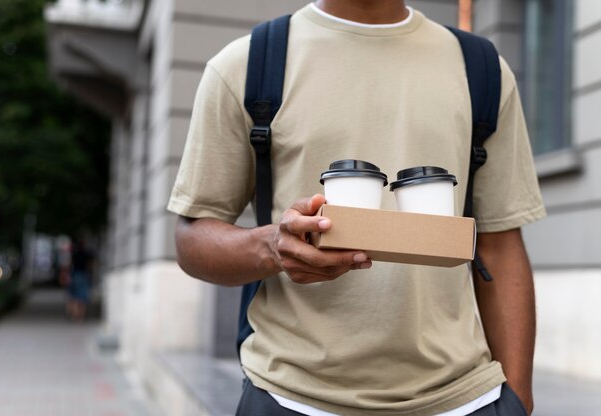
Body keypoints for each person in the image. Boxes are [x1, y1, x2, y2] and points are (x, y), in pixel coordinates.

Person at [167, 1, 545, 415]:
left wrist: (517, 403)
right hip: (290, 397)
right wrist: (272, 246)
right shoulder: (247, 66)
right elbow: (191, 238)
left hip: (463, 399)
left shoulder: (482, 70)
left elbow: (500, 247)